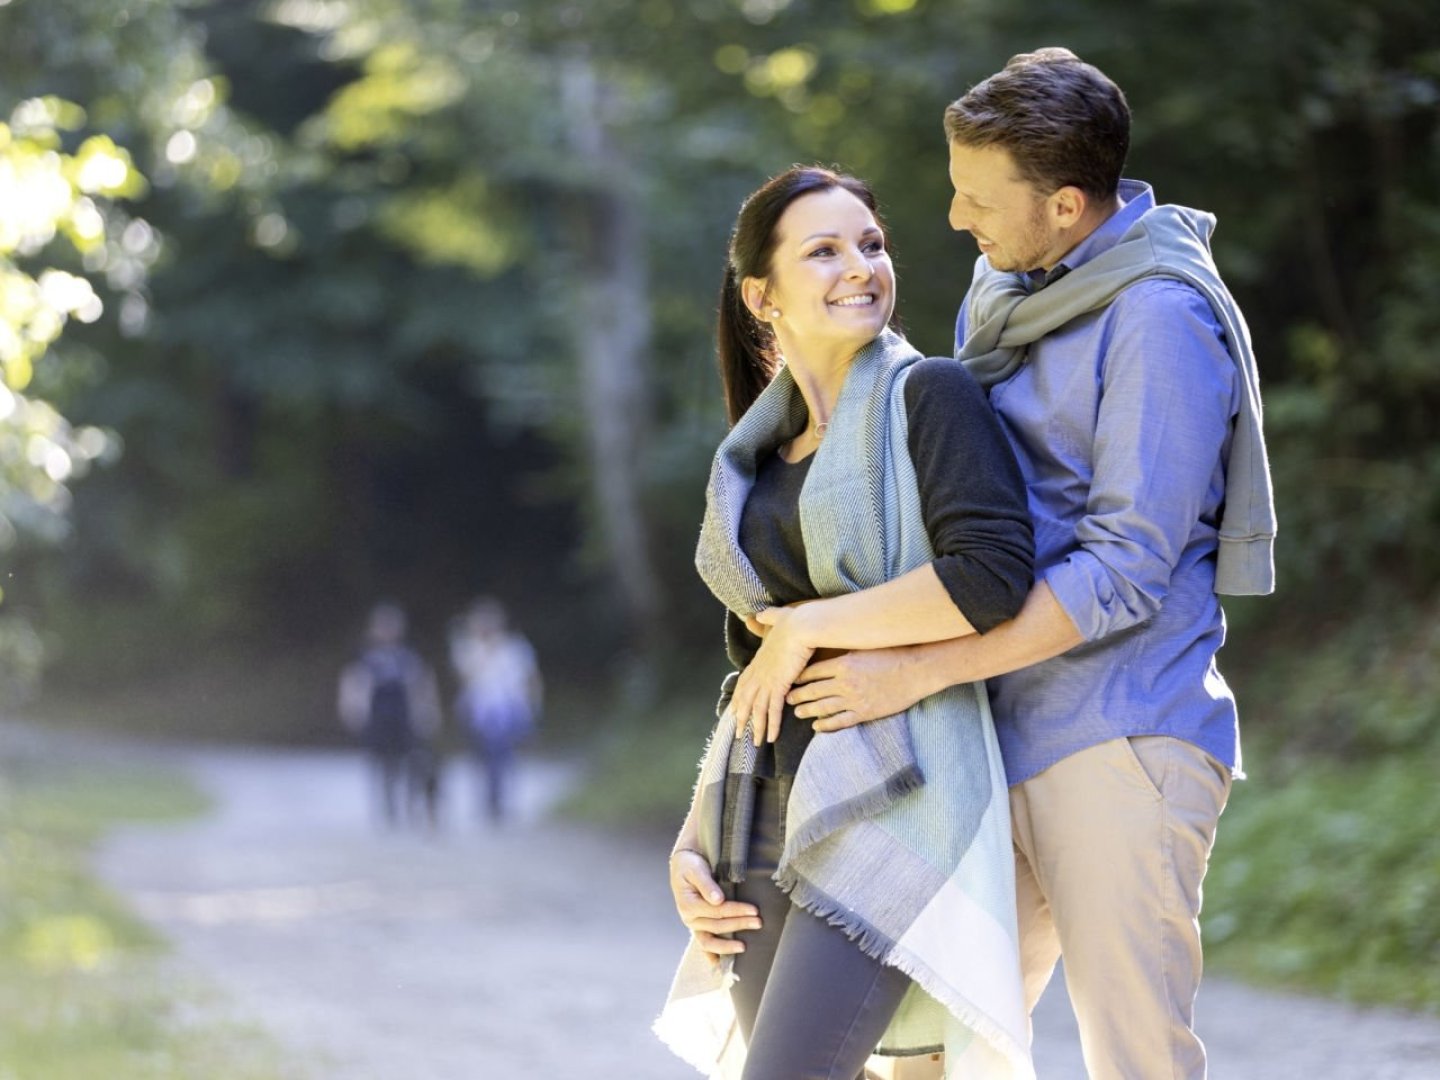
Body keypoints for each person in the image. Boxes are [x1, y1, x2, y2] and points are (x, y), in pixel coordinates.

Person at [775, 49, 1277, 1079]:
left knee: (1133, 1054)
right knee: (935, 1047)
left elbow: (1127, 567)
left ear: (1065, 204)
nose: (956, 219)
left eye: (976, 197)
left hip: (1117, 732)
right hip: (986, 734)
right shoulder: (1004, 288)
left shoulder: (1159, 319)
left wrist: (915, 671)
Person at [655, 166, 1037, 1080]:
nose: (859, 266)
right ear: (762, 294)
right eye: (822, 250)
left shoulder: (929, 396)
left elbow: (991, 574)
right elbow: (751, 676)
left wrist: (810, 625)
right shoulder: (750, 458)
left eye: (870, 244)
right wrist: (692, 838)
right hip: (758, 813)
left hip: (890, 802)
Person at [337, 602, 443, 829]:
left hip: (404, 715)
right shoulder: (363, 656)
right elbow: (351, 683)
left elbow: (424, 683)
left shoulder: (409, 656)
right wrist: (351, 709)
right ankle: (388, 808)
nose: (387, 631)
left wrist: (429, 711)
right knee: (383, 763)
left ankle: (411, 805)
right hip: (377, 716)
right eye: (382, 626)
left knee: (413, 761)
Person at [448, 597, 542, 824]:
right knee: (483, 757)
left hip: (510, 709)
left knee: (504, 754)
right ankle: (489, 799)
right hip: (480, 710)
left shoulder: (516, 648)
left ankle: (499, 800)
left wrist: (534, 706)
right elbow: (465, 677)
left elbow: (531, 679)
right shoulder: (468, 648)